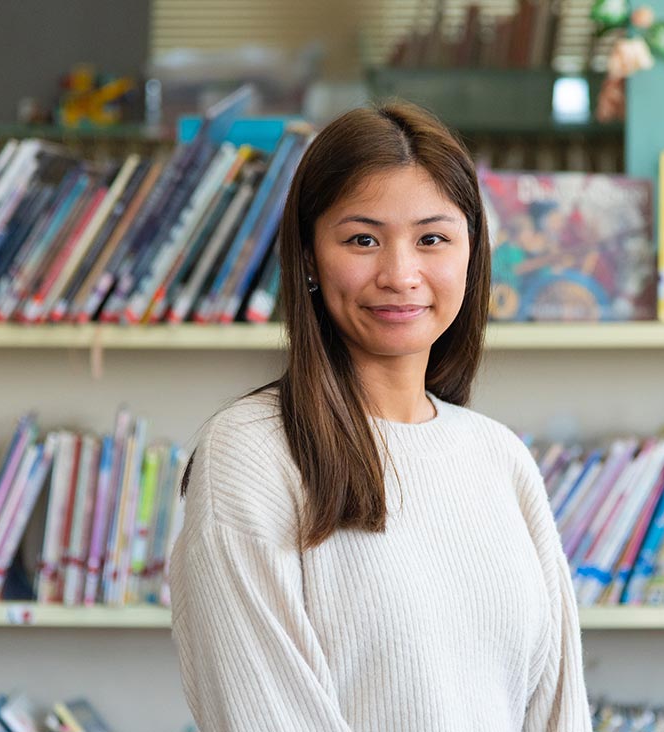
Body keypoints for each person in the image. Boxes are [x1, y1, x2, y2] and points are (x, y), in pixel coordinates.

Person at [169, 101, 589, 732]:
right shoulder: (251, 452)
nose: (400, 274)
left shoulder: (499, 456)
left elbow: (559, 710)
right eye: (362, 239)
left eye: (432, 238)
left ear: (472, 253)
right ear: (309, 255)